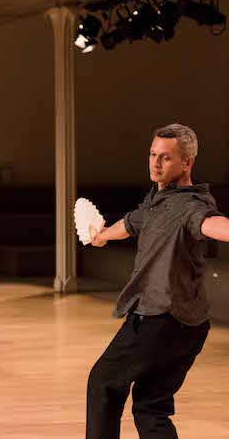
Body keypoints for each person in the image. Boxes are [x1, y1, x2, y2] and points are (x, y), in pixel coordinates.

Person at [86, 123, 229, 439]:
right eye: (153, 154)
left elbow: (210, 224)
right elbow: (131, 222)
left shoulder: (190, 205)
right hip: (190, 326)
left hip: (159, 320)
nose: (155, 162)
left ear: (187, 162)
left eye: (165, 157)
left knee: (103, 383)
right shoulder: (157, 200)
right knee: (151, 407)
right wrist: (103, 237)